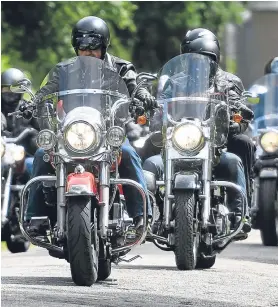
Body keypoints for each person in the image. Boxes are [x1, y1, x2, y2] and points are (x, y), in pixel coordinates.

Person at [25, 16, 155, 241]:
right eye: (83, 48)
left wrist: (142, 96)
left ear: (104, 47)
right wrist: (32, 102)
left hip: (106, 131)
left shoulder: (121, 68)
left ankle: (141, 216)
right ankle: (35, 216)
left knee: (129, 153)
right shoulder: (64, 70)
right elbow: (47, 90)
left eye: (94, 48)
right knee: (41, 154)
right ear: (76, 48)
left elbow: (134, 86)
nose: (89, 53)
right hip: (72, 132)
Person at [143, 28, 253, 234]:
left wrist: (236, 121)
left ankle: (240, 213)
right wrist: (155, 119)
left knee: (236, 158)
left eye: (205, 59)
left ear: (215, 58)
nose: (199, 64)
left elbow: (240, 108)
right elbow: (160, 107)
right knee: (149, 161)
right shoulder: (174, 83)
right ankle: (145, 215)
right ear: (185, 60)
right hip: (178, 145)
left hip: (214, 149)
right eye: (193, 59)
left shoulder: (229, 82)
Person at [1, 68, 39, 176]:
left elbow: (42, 132)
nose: (10, 92)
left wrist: (34, 139)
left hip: (25, 157)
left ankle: (34, 192)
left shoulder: (29, 109)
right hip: (1, 156)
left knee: (33, 166)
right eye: (5, 89)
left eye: (14, 89)